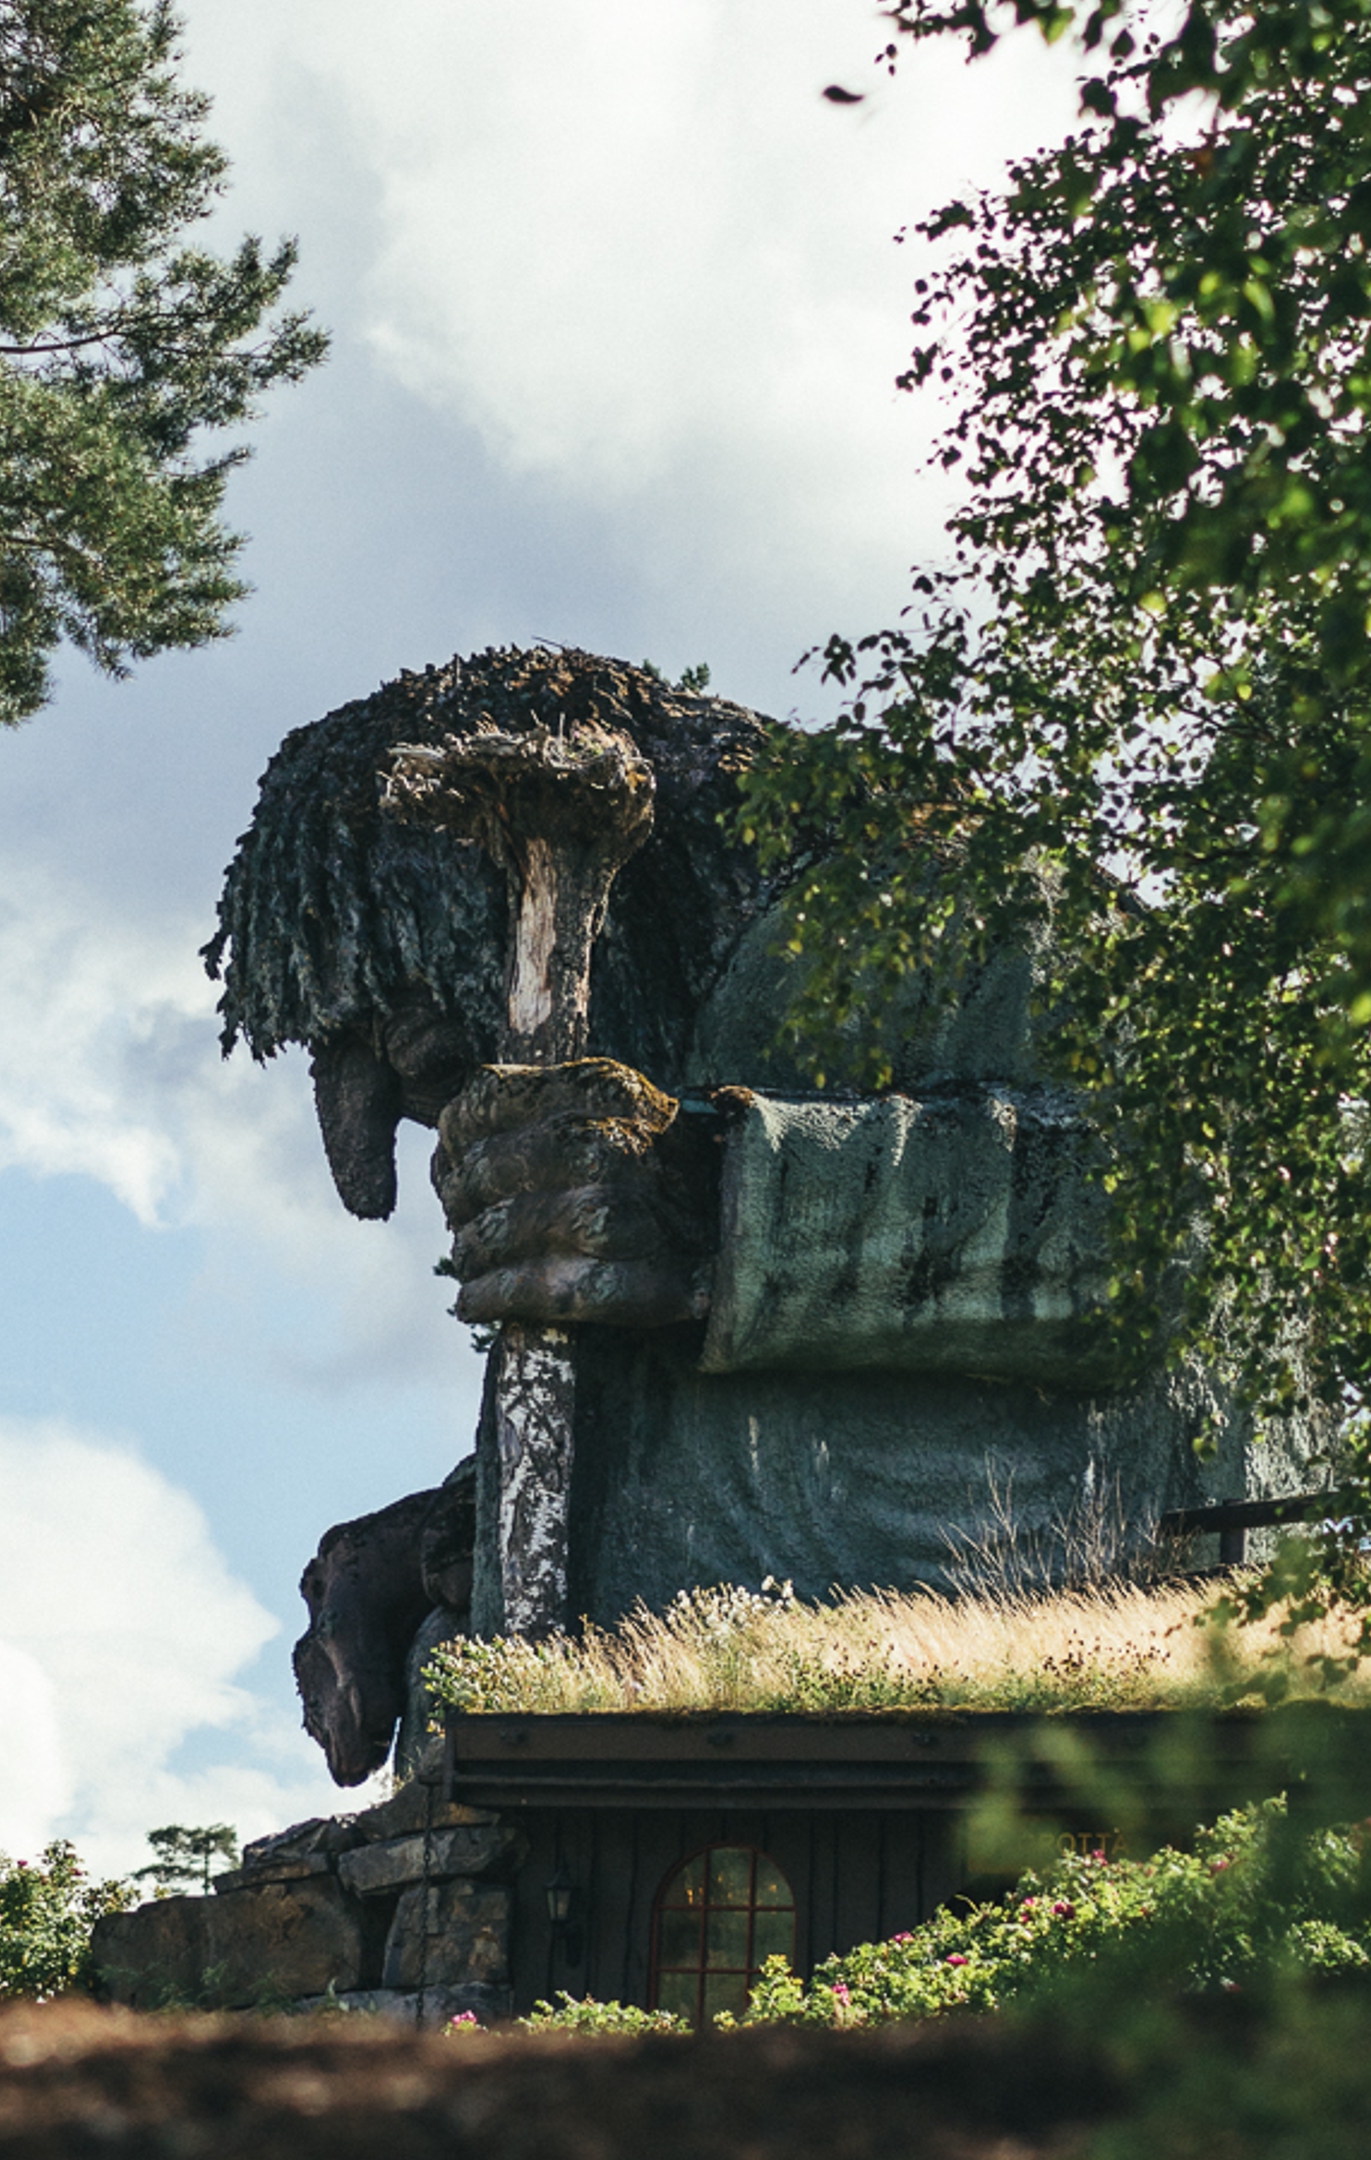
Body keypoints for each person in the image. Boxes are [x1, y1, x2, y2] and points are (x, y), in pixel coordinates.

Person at [209, 648, 1245, 1782]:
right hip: (591, 1753)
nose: (449, 1130)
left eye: (437, 1049)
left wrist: (720, 1197)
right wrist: (436, 1546)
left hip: (940, 1726)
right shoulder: (674, 1005)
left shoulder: (968, 911)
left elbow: (1183, 1220)